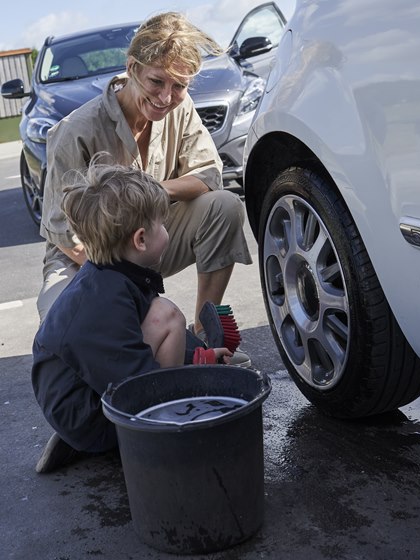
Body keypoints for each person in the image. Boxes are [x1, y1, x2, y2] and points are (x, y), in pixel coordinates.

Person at [38, 11, 252, 364]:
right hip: (86, 258)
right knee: (64, 328)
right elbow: (64, 234)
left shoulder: (181, 111)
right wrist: (130, 285)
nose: (167, 97)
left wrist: (151, 191)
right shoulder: (75, 130)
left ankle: (203, 336)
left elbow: (209, 176)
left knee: (225, 205)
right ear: (133, 68)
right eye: (157, 81)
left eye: (180, 86)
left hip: (152, 238)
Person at [32, 159, 234, 474]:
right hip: (86, 415)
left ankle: (106, 433)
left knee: (160, 315)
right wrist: (188, 387)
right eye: (163, 225)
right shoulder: (103, 303)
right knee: (166, 316)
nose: (167, 231)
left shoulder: (111, 275)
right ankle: (156, 431)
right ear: (140, 240)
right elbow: (133, 380)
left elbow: (134, 343)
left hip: (84, 396)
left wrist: (200, 358)